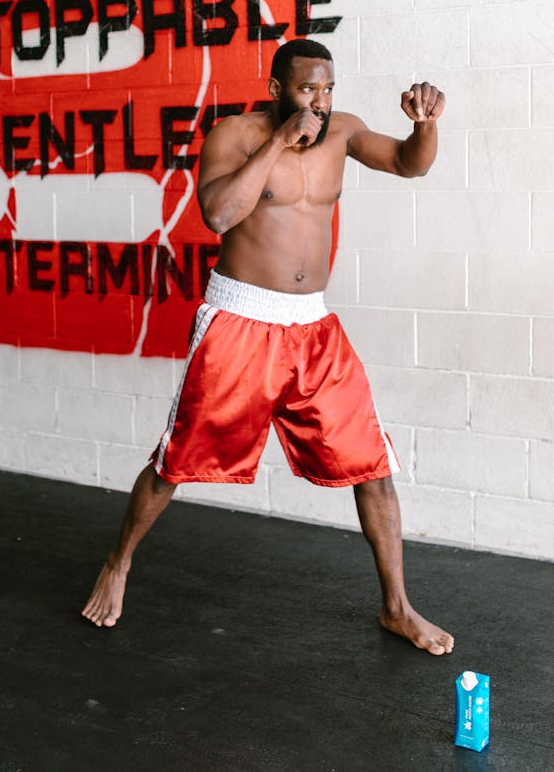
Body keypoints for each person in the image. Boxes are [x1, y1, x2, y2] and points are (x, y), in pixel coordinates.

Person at [83, 38, 453, 656]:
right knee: (176, 460)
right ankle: (118, 563)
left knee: (374, 464)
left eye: (328, 88)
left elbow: (410, 164)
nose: (322, 101)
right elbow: (219, 215)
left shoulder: (345, 134)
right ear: (279, 88)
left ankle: (397, 607)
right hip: (240, 318)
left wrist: (425, 127)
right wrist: (280, 140)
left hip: (313, 325)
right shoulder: (236, 134)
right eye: (308, 89)